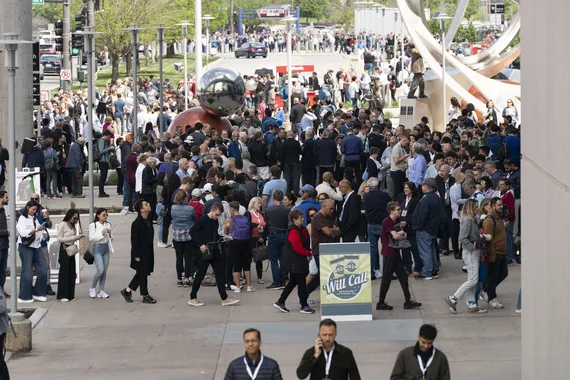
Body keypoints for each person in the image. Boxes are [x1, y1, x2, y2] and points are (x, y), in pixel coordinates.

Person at [189, 202, 240, 307]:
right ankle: (193, 297)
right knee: (200, 274)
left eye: (219, 215)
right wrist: (200, 244)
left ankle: (224, 298)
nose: (217, 217)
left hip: (215, 249)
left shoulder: (215, 221)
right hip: (205, 250)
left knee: (220, 274)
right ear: (212, 210)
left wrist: (222, 238)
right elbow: (192, 232)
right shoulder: (203, 220)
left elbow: (214, 233)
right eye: (216, 214)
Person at [445, 199, 489, 314]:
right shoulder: (467, 220)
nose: (477, 208)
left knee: (472, 279)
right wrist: (473, 246)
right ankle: (453, 298)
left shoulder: (472, 219)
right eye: (475, 207)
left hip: (474, 252)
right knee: (473, 280)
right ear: (470, 207)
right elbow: (462, 238)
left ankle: (472, 304)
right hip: (470, 253)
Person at [376, 202, 422, 311]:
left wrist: (401, 234)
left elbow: (403, 235)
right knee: (386, 279)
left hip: (396, 253)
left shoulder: (396, 221)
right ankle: (381, 302)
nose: (399, 211)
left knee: (403, 277)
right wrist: (401, 234)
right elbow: (396, 236)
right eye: (397, 209)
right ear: (392, 211)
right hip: (389, 253)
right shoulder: (387, 221)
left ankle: (408, 300)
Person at [273, 209, 314, 314]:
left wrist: (308, 251)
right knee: (301, 284)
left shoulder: (301, 229)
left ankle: (281, 301)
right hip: (295, 262)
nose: (303, 219)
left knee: (292, 283)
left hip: (297, 262)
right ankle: (304, 305)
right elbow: (298, 248)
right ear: (294, 220)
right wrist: (308, 253)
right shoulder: (293, 231)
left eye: (302, 217)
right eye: (300, 218)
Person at [296, 319, 361, 380]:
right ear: (319, 335)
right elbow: (301, 375)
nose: (327, 338)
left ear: (335, 334)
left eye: (330, 335)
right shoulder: (311, 352)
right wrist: (315, 356)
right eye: (324, 335)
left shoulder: (346, 353)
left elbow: (355, 377)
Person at [120, 200, 157, 304]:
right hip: (140, 253)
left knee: (142, 273)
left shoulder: (148, 220)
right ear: (141, 209)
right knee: (143, 273)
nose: (149, 204)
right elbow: (134, 240)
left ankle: (127, 291)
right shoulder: (136, 223)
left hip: (148, 252)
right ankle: (145, 295)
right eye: (146, 204)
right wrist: (136, 255)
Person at [306, 199, 340, 297]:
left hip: (330, 249)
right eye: (330, 209)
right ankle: (305, 292)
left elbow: (338, 230)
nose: (332, 211)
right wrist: (332, 230)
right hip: (319, 250)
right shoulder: (318, 217)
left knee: (328, 274)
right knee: (321, 274)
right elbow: (329, 232)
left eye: (333, 209)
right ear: (324, 207)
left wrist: (332, 230)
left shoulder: (330, 217)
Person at [17, 201, 49, 303]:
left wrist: (43, 233)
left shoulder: (35, 218)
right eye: (33, 209)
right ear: (27, 208)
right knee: (27, 271)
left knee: (43, 268)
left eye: (36, 210)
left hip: (36, 246)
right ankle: (24, 295)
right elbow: (23, 233)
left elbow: (40, 231)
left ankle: (38, 292)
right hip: (26, 246)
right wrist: (35, 230)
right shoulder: (22, 218)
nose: (34, 211)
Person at [481, 197, 508, 309]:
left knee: (503, 274)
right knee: (493, 276)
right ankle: (492, 298)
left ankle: (486, 289)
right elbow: (488, 239)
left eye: (501, 205)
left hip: (502, 252)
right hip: (495, 253)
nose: (501, 207)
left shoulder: (499, 218)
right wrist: (492, 255)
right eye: (498, 205)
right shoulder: (489, 220)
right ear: (492, 206)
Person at [412, 178, 441, 280]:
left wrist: (418, 226)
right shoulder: (436, 197)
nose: (421, 187)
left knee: (425, 251)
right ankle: (434, 270)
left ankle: (427, 272)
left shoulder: (426, 198)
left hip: (425, 229)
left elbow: (422, 215)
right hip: (433, 228)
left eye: (423, 185)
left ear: (427, 187)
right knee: (431, 249)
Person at [363, 177, 391, 280]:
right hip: (383, 223)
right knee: (386, 247)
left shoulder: (366, 196)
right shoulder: (384, 195)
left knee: (372, 249)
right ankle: (387, 271)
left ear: (369, 186)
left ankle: (373, 270)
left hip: (371, 224)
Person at [224, 201, 254, 293]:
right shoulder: (245, 218)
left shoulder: (230, 219)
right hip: (245, 242)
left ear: (232, 209)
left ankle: (238, 286)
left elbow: (225, 231)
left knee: (236, 265)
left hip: (234, 243)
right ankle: (249, 286)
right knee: (246, 265)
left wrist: (226, 227)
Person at [56, 208, 83, 302]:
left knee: (71, 272)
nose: (75, 220)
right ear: (69, 216)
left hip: (71, 249)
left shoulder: (73, 226)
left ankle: (70, 294)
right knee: (64, 272)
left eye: (76, 219)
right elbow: (59, 239)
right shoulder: (62, 225)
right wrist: (74, 237)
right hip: (64, 249)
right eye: (74, 218)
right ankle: (62, 295)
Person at [171, 190, 197, 287]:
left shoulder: (173, 208)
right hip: (188, 235)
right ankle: (186, 278)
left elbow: (172, 218)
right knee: (188, 258)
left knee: (179, 258)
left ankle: (179, 279)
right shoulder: (190, 209)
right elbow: (195, 220)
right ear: (186, 198)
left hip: (177, 235)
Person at [88, 208, 112, 299]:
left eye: (106, 215)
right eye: (103, 215)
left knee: (104, 271)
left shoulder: (108, 224)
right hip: (97, 248)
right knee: (100, 270)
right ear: (98, 215)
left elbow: (111, 238)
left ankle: (101, 290)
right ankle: (92, 288)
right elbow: (92, 238)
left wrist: (109, 234)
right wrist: (102, 234)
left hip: (106, 248)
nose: (105, 217)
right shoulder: (93, 225)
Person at [248, 197, 266, 285]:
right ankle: (245, 277)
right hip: (251, 239)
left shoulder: (260, 214)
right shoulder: (249, 214)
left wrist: (263, 236)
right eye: (258, 203)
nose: (260, 205)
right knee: (248, 259)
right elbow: (248, 225)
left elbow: (265, 226)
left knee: (259, 259)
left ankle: (260, 277)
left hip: (260, 238)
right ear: (253, 204)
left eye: (260, 203)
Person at [0, 192, 7, 292]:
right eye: (6, 197)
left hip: (4, 245)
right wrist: (7, 232)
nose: (7, 199)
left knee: (3, 271)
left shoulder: (3, 211)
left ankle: (1, 292)